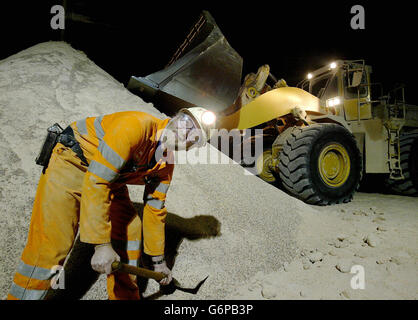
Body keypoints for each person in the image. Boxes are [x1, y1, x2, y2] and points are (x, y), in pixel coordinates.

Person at [7, 107, 216, 300]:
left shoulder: (165, 163)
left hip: (107, 177)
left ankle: (124, 297)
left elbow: (155, 208)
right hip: (73, 162)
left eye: (193, 135)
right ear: (176, 117)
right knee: (52, 246)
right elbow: (97, 181)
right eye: (185, 122)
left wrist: (158, 262)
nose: (185, 132)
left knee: (131, 229)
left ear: (191, 147)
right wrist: (102, 245)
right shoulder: (136, 126)